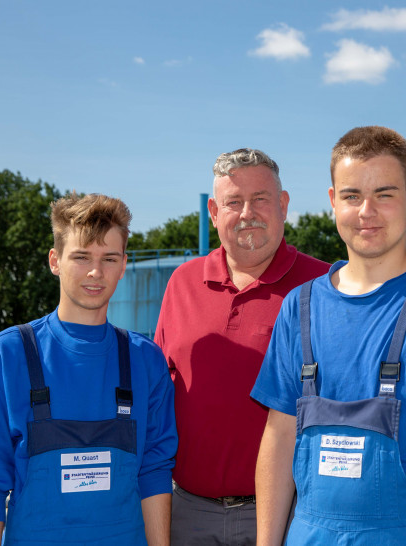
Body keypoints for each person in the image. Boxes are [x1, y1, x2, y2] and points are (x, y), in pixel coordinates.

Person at [252, 126, 406, 545]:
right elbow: (278, 438)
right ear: (334, 201)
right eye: (352, 195)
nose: (366, 211)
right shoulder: (299, 308)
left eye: (384, 194)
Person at [155, 148, 329, 545]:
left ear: (283, 205)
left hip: (289, 515)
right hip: (188, 514)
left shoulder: (324, 286)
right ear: (214, 212)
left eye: (260, 199)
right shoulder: (182, 284)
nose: (247, 212)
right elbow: (159, 394)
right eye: (234, 202)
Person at [0, 193, 177, 545]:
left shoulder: (146, 361)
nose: (95, 272)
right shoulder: (6, 356)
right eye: (81, 256)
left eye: (109, 259)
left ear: (123, 265)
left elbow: (154, 471)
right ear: (55, 261)